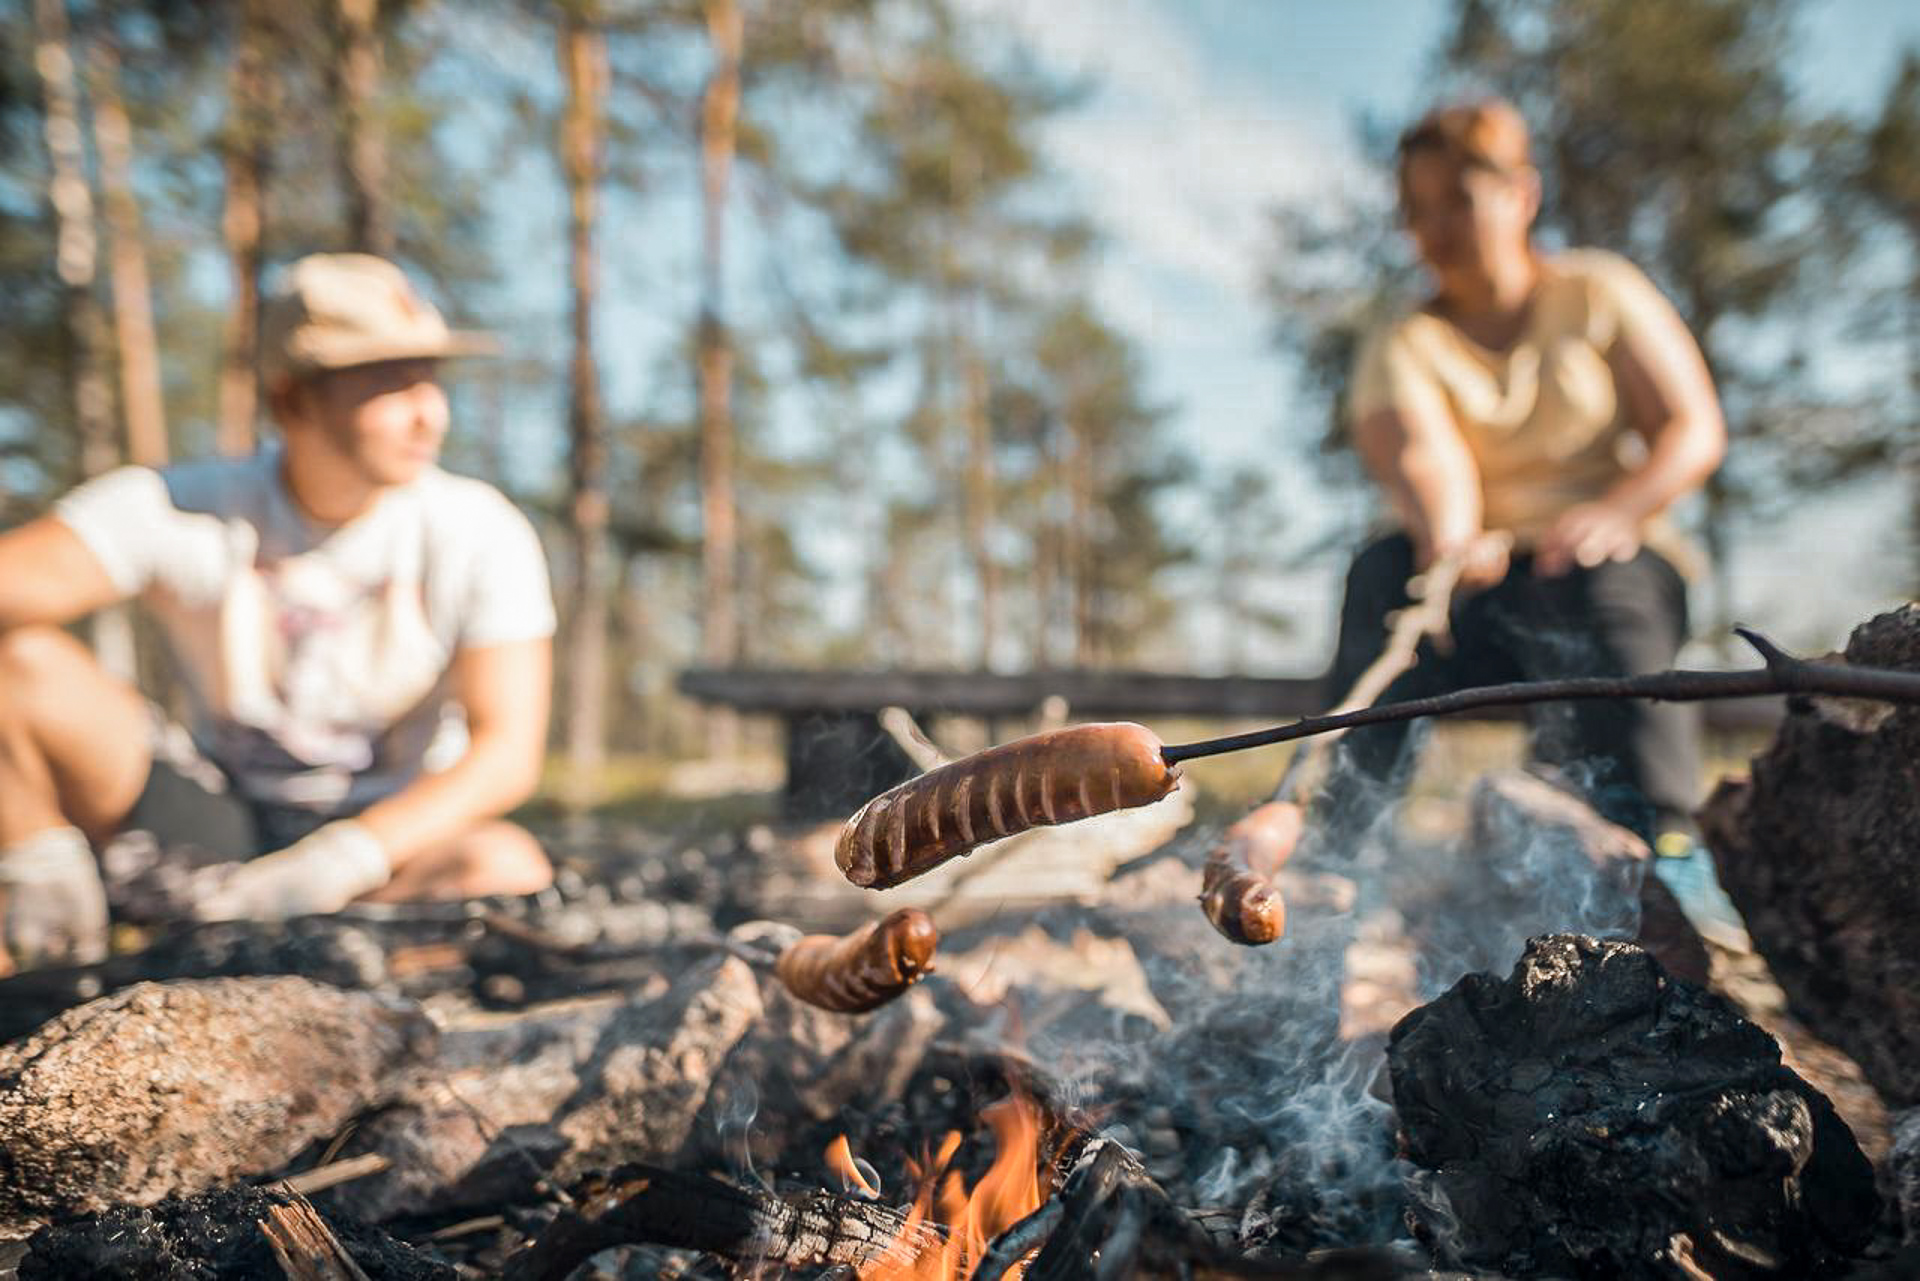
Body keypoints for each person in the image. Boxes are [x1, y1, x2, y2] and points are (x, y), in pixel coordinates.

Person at [0, 253, 556, 973]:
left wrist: (345, 857)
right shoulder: (188, 508)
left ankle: (311, 974)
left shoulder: (479, 530)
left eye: (430, 379)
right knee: (19, 663)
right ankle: (69, 926)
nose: (430, 413)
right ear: (291, 399)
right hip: (214, 826)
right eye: (389, 383)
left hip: (390, 846)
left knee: (502, 870)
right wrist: (26, 840)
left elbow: (507, 751)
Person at [1314, 98, 1727, 849]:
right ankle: (1341, 848)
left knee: (1610, 588)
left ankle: (1662, 845)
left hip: (1600, 576)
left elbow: (1691, 428)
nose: (1435, 228)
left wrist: (1620, 511)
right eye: (1417, 209)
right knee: (1381, 574)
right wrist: (1451, 539)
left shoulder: (1598, 291)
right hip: (1477, 594)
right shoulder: (1406, 338)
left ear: (1522, 194)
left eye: (1457, 200)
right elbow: (1422, 452)